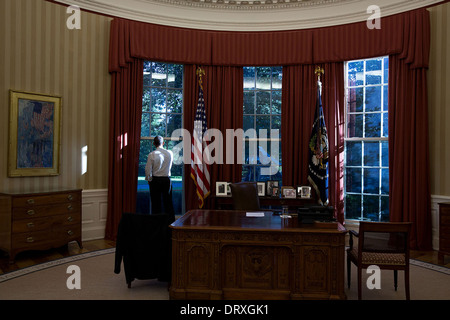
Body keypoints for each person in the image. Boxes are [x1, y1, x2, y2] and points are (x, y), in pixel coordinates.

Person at [145, 136, 175, 220]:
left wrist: (149, 179)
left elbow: (148, 169)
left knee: (156, 203)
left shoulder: (152, 154)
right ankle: (170, 224)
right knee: (168, 203)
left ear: (154, 144)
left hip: (155, 180)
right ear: (163, 143)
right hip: (166, 179)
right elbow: (170, 165)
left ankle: (157, 223)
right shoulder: (170, 153)